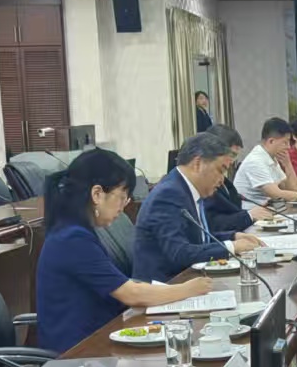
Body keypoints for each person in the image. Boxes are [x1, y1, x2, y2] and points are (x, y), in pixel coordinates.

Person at [35, 150, 214, 353]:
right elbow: (130, 294)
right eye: (122, 197)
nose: (123, 207)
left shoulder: (75, 231)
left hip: (96, 340)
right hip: (78, 354)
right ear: (97, 194)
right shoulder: (72, 239)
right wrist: (188, 289)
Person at [132, 133, 261, 283]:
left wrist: (233, 236)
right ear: (197, 163)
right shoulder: (169, 194)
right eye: (220, 170)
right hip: (166, 285)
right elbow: (179, 252)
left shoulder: (184, 189)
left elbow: (198, 239)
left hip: (188, 279)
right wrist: (231, 247)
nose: (222, 180)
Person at [201, 123, 270, 235]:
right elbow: (212, 224)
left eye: (235, 156)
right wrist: (249, 216)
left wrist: (256, 212)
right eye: (232, 154)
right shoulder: (204, 183)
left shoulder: (225, 182)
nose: (232, 161)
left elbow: (231, 212)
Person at [235, 117, 297, 205]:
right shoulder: (255, 161)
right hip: (253, 211)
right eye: (285, 142)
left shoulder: (271, 158)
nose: (288, 147)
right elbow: (276, 194)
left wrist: (288, 165)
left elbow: (293, 190)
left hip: (271, 208)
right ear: (271, 141)